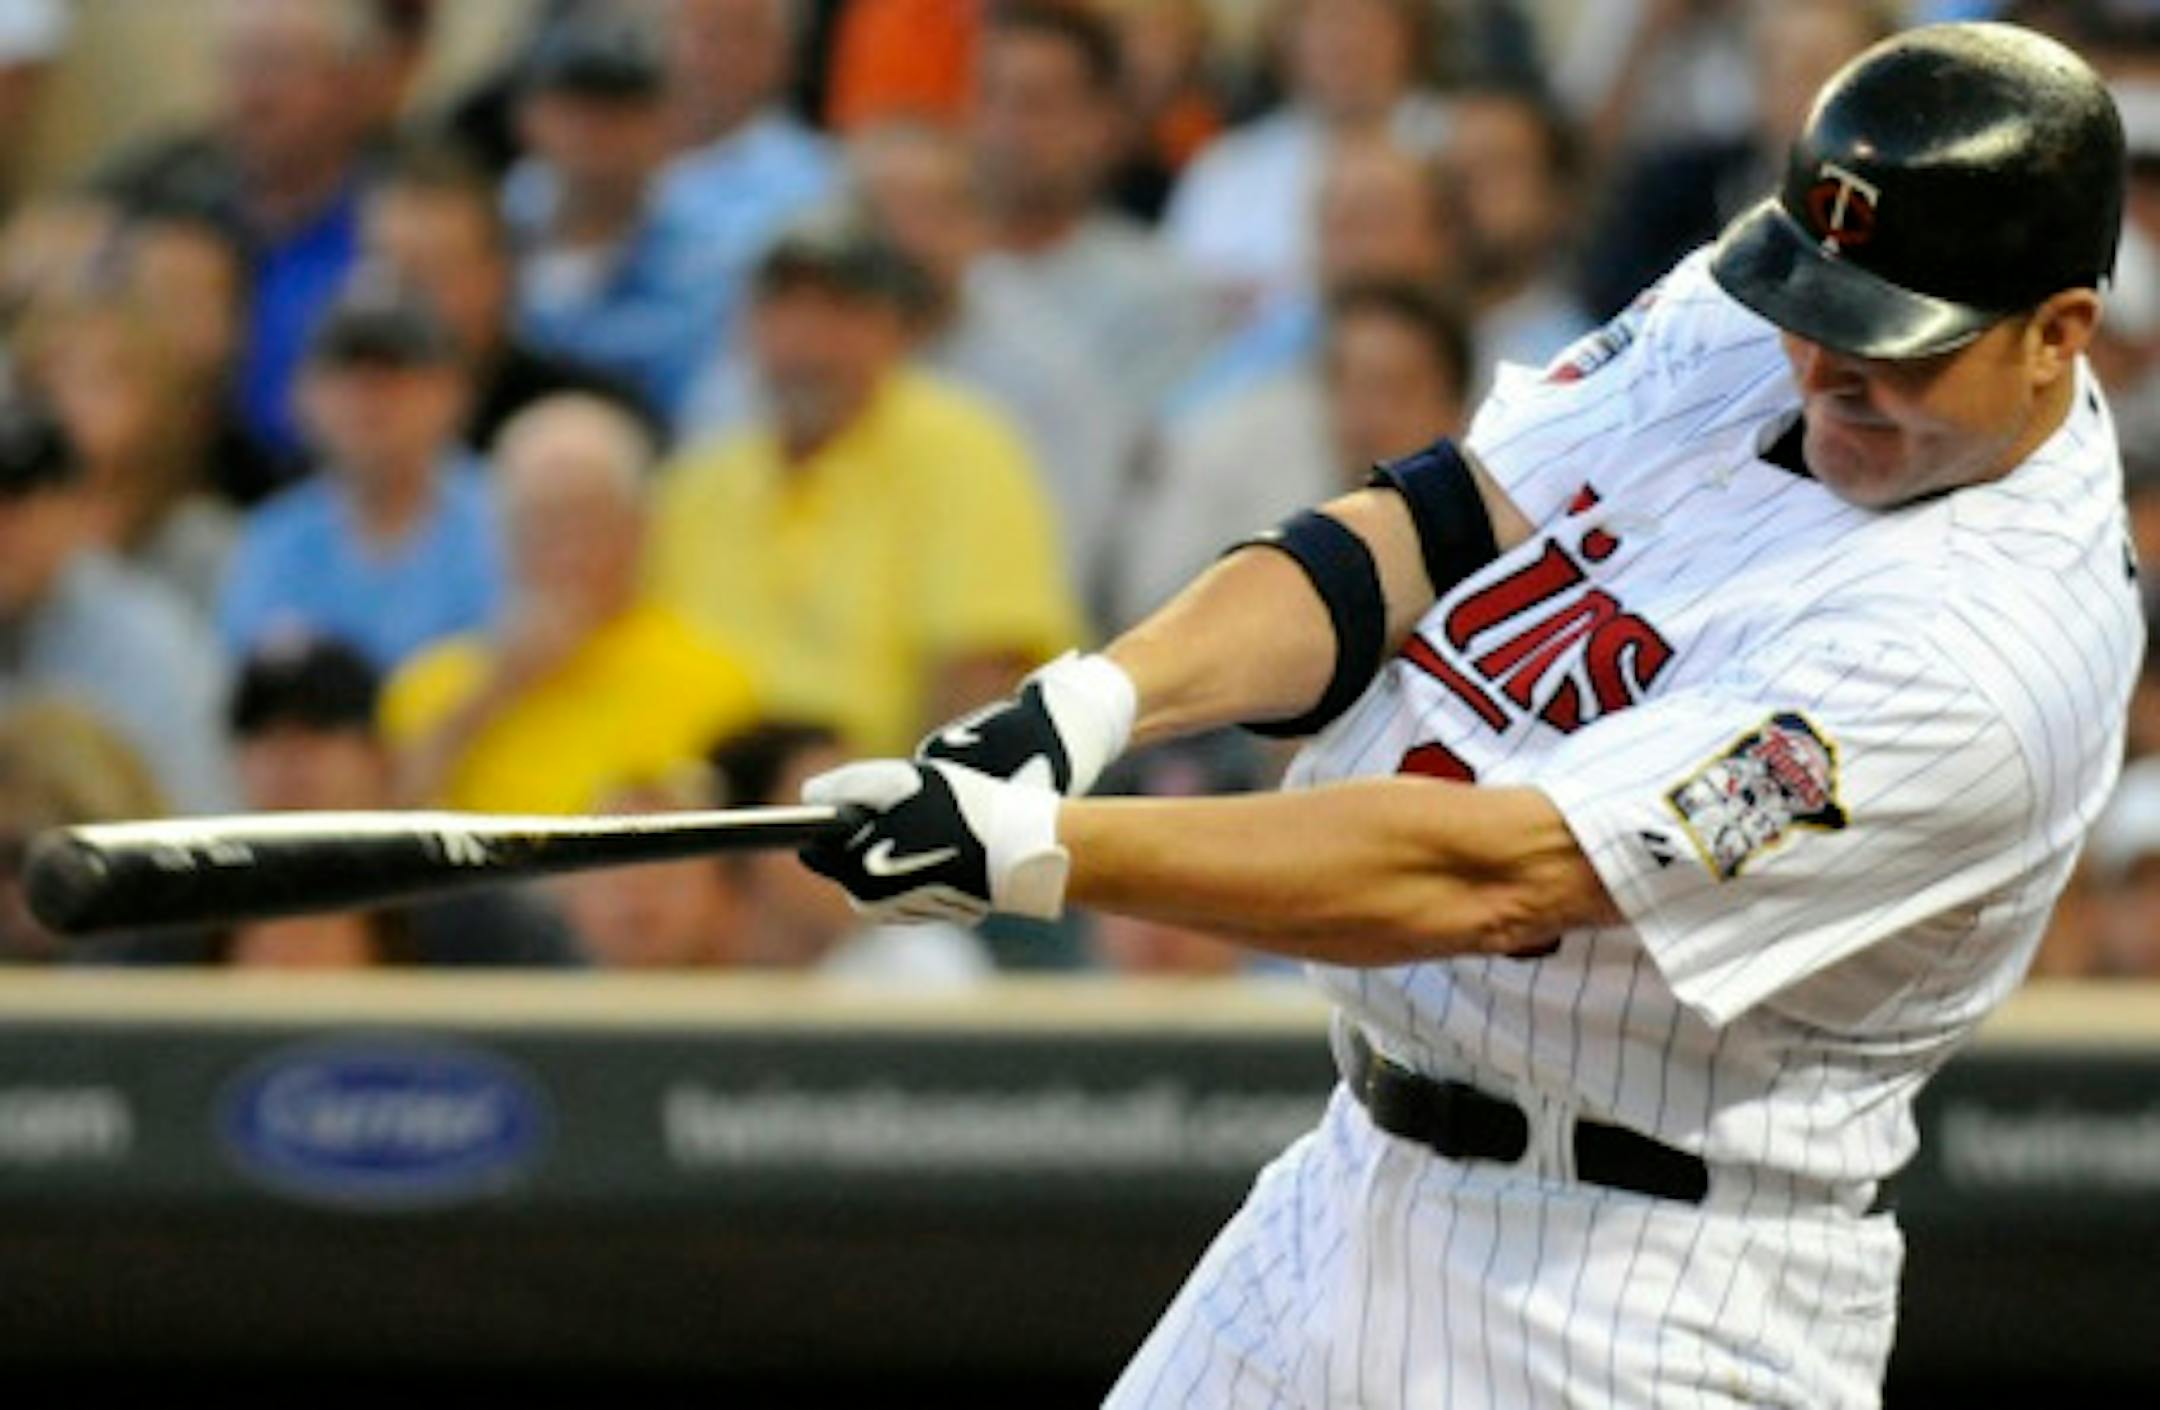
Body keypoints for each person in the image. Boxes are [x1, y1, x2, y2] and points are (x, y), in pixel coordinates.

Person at [796, 25, 2138, 1406]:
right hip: (1350, 1178)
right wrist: (1091, 701)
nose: (1821, 366)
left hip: (1639, 1296)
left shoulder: (1989, 656)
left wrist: (1038, 849)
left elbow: (1490, 872)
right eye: (1812, 310)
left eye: (1888, 344)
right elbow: (1430, 521)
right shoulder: (1769, 311)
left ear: (2056, 333)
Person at [646, 220, 1081, 756]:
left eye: (841, 313)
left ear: (897, 331)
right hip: (714, 806)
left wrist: (908, 811)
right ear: (745, 330)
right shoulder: (700, 479)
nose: (809, 343)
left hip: (878, 800)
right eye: (785, 311)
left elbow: (986, 666)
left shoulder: (959, 445)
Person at [75, 633, 585, 969]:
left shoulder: (470, 917)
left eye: (318, 731)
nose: (288, 761)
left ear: (379, 757)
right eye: (263, 736)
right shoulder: (173, 915)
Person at [380, 393, 757, 815]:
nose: (566, 553)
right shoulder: (434, 685)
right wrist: (492, 693)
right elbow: (381, 822)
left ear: (639, 531)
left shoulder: (713, 683)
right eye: (540, 525)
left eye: (587, 523)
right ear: (499, 539)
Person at [90, 0, 395, 468]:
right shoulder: (169, 191)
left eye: (278, 67)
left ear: (350, 84)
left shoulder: (395, 217)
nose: (253, 96)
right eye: (238, 65)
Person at [217, 275, 504, 673]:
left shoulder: (509, 523)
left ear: (453, 391)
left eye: (396, 370)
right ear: (303, 394)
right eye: (346, 370)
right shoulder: (272, 543)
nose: (369, 394)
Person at [0, 395, 236, 813]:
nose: (4, 525)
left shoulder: (148, 639)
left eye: (17, 500)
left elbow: (191, 810)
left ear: (73, 507)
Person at [503, 13, 736, 423]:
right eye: (577, 106)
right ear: (530, 115)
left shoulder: (705, 266)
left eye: (622, 110)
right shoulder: (487, 228)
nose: (595, 132)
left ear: (667, 121)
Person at [362, 144, 658, 458]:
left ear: (499, 274)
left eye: (435, 270)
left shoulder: (587, 415)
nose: (409, 298)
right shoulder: (349, 421)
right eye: (393, 272)